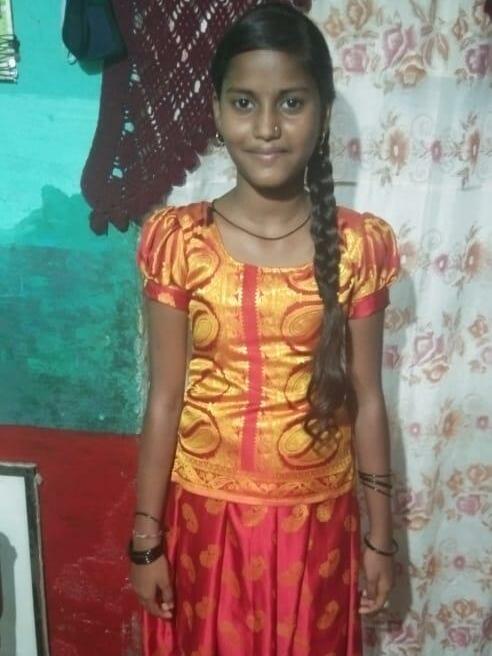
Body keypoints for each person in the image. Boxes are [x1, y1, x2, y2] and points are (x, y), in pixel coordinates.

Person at [130, 3, 400, 655]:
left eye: (292, 103)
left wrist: (380, 539)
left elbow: (366, 399)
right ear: (218, 112)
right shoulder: (180, 241)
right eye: (245, 103)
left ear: (323, 113)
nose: (268, 127)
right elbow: (165, 398)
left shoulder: (358, 246)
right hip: (205, 521)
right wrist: (145, 540)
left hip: (319, 526)